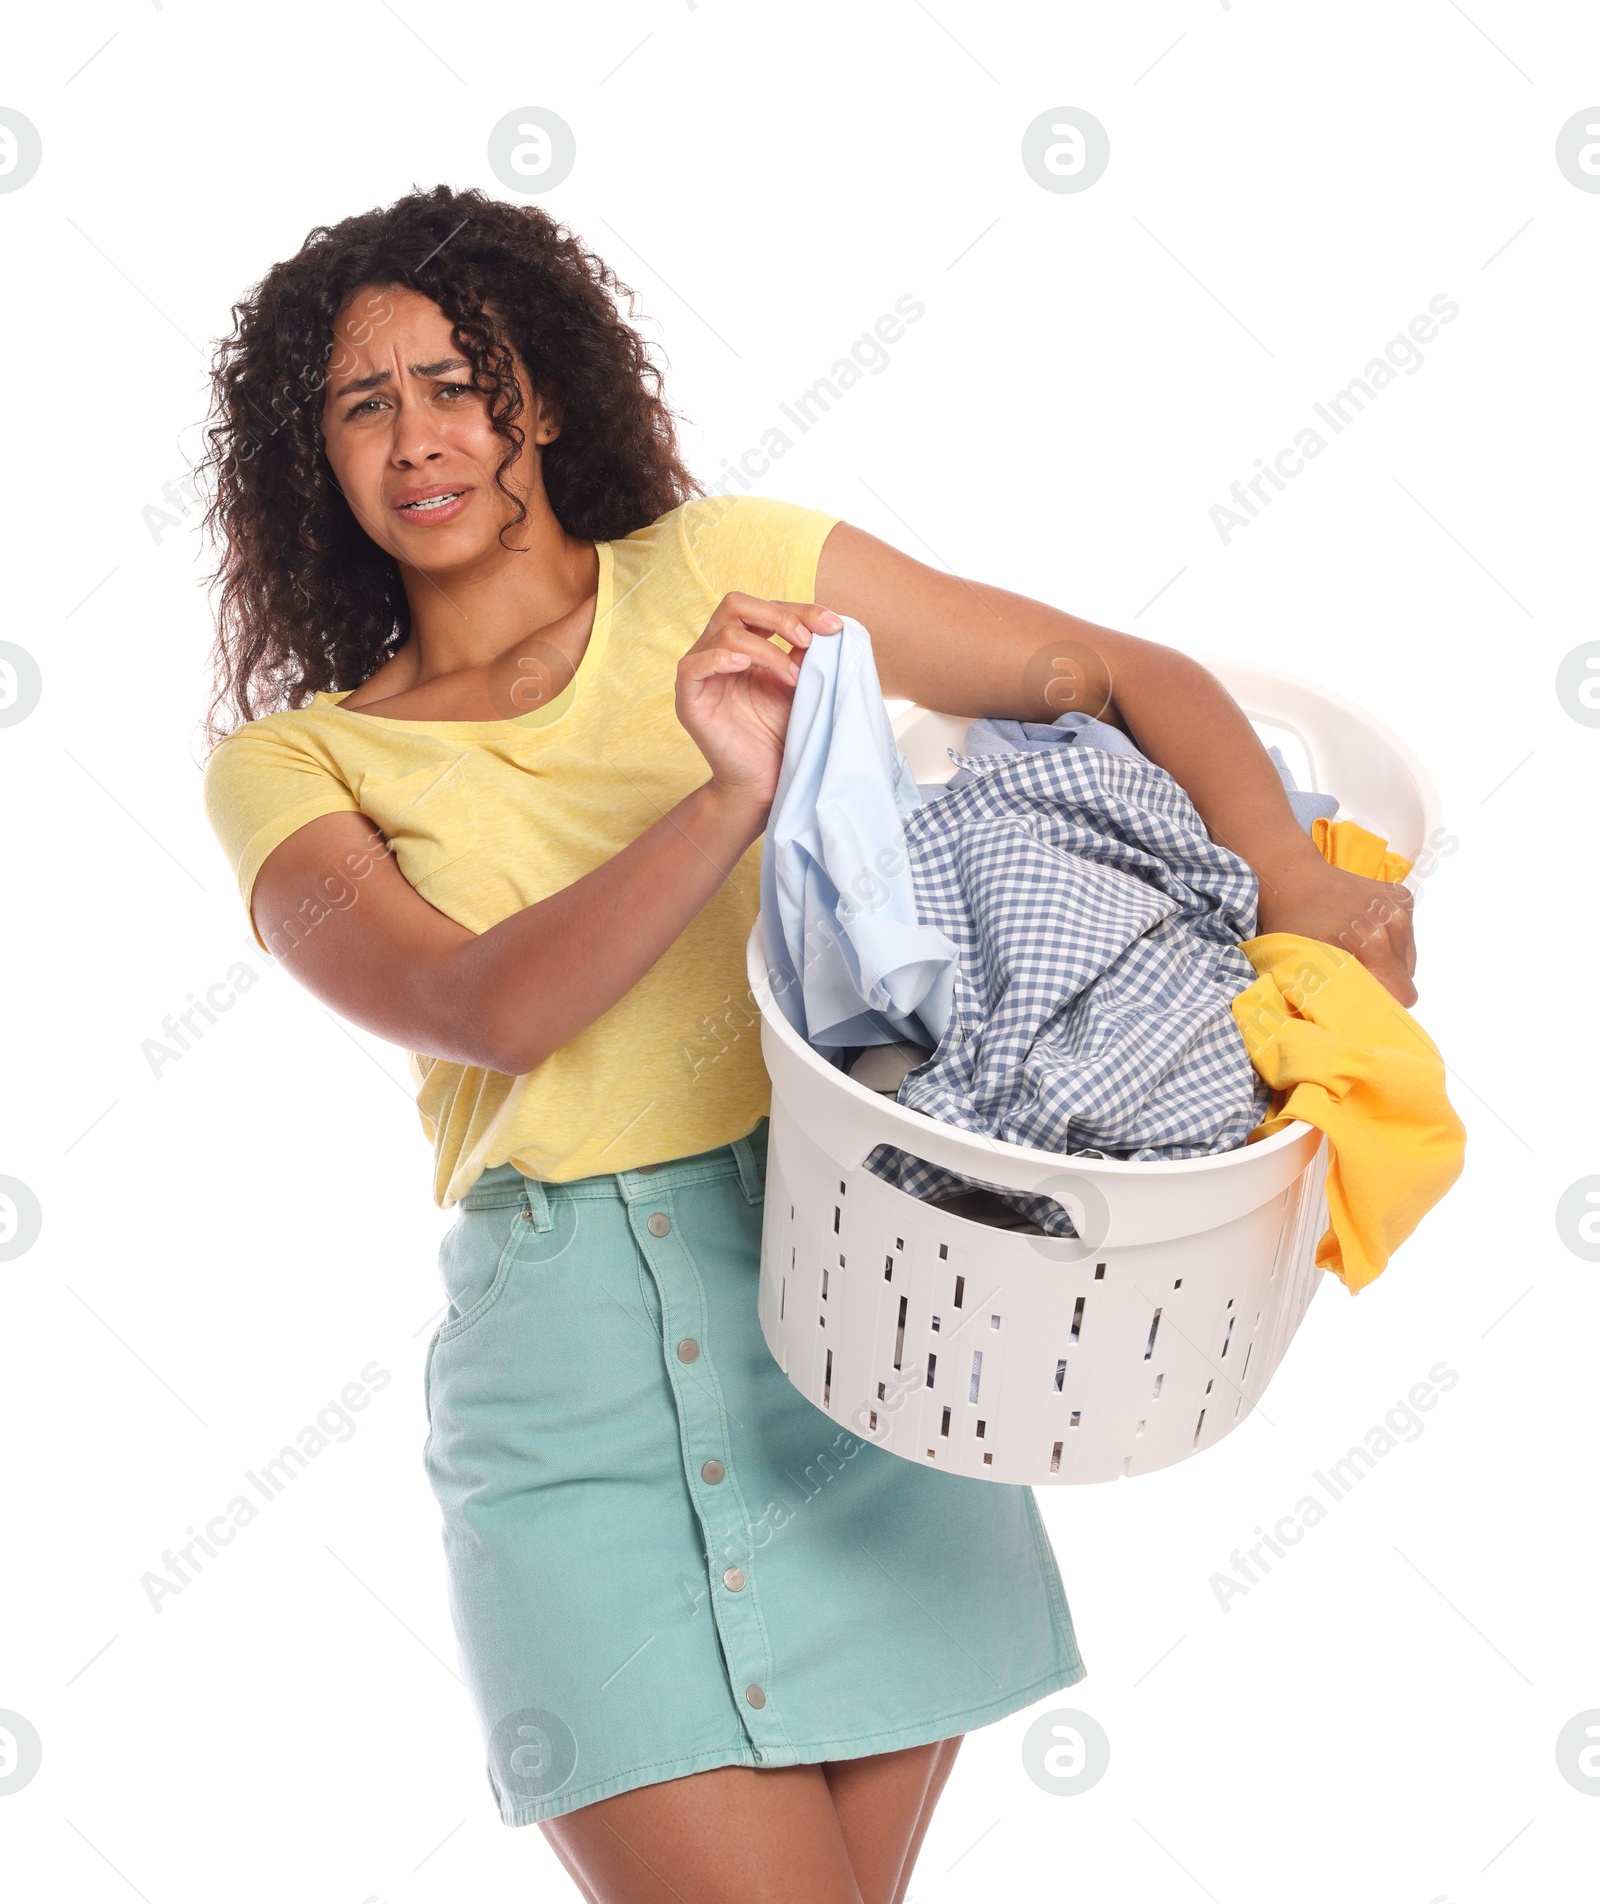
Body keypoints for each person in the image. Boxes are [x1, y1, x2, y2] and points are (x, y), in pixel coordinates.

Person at [198, 184, 1416, 1904]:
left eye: (455, 381)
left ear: (535, 397)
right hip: (573, 1401)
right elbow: (486, 1007)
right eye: (362, 404)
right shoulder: (294, 768)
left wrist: (1290, 878)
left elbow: (1101, 671)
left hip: (869, 1325)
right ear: (310, 457)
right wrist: (725, 798)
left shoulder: (724, 569)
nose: (420, 438)